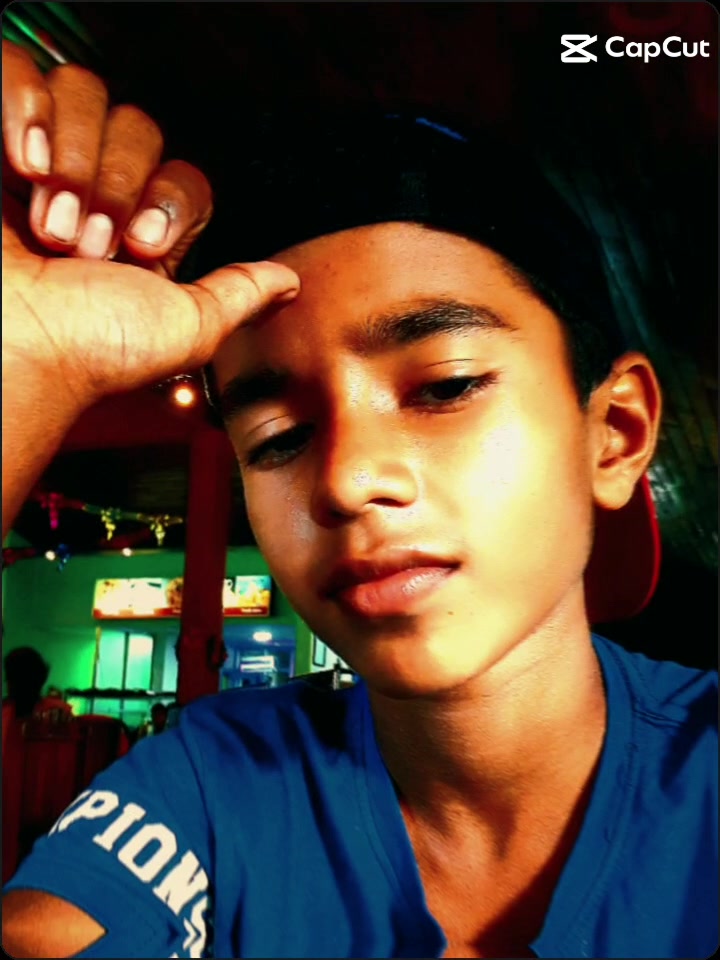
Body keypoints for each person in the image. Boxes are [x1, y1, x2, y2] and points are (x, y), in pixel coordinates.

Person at [1, 40, 716, 960]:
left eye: (446, 387)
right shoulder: (214, 786)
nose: (343, 480)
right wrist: (17, 360)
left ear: (613, 432)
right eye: (278, 439)